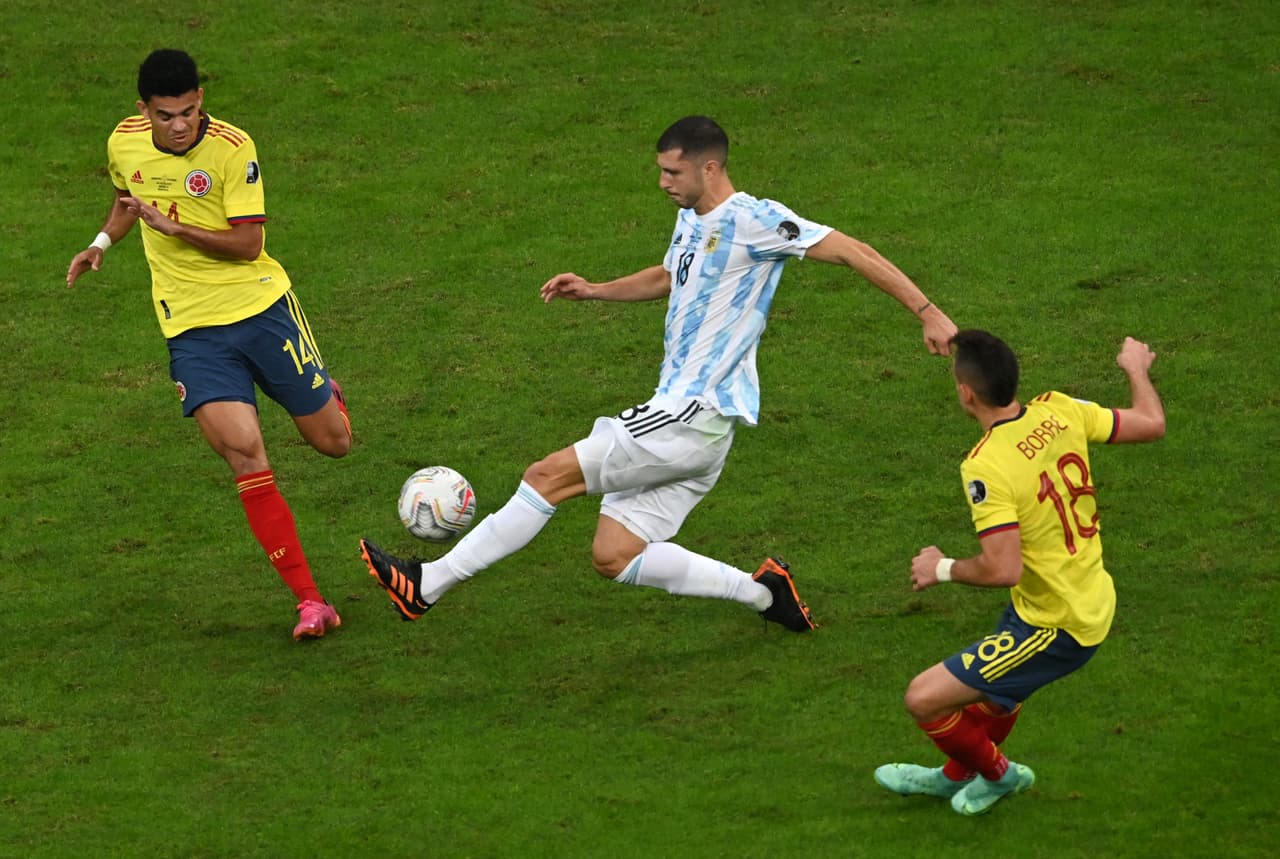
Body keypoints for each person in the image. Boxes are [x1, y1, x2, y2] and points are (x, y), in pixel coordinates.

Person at [360, 115, 957, 631]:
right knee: (614, 554)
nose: (663, 182)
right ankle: (765, 595)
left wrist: (927, 312)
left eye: (673, 172)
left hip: (691, 414)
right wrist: (594, 289)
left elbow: (852, 250)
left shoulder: (754, 220)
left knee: (545, 476)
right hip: (699, 426)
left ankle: (428, 583)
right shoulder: (692, 218)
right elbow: (671, 276)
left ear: (710, 168)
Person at [65, 49, 352, 640]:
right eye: (165, 115)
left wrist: (175, 227)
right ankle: (310, 602)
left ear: (201, 100)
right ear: (143, 109)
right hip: (192, 331)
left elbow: (249, 244)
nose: (179, 125)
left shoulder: (232, 147)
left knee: (334, 444)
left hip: (262, 311)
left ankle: (328, 396)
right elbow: (126, 199)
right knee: (245, 454)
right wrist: (101, 242)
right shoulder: (123, 141)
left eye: (188, 112)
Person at [874, 331, 1165, 815]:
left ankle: (999, 775)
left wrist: (940, 568)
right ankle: (954, 777)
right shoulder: (1058, 408)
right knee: (997, 697)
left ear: (966, 392)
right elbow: (1151, 423)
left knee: (923, 699)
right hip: (1076, 595)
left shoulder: (986, 465)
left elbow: (1004, 568)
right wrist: (1136, 369)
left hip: (1057, 624)